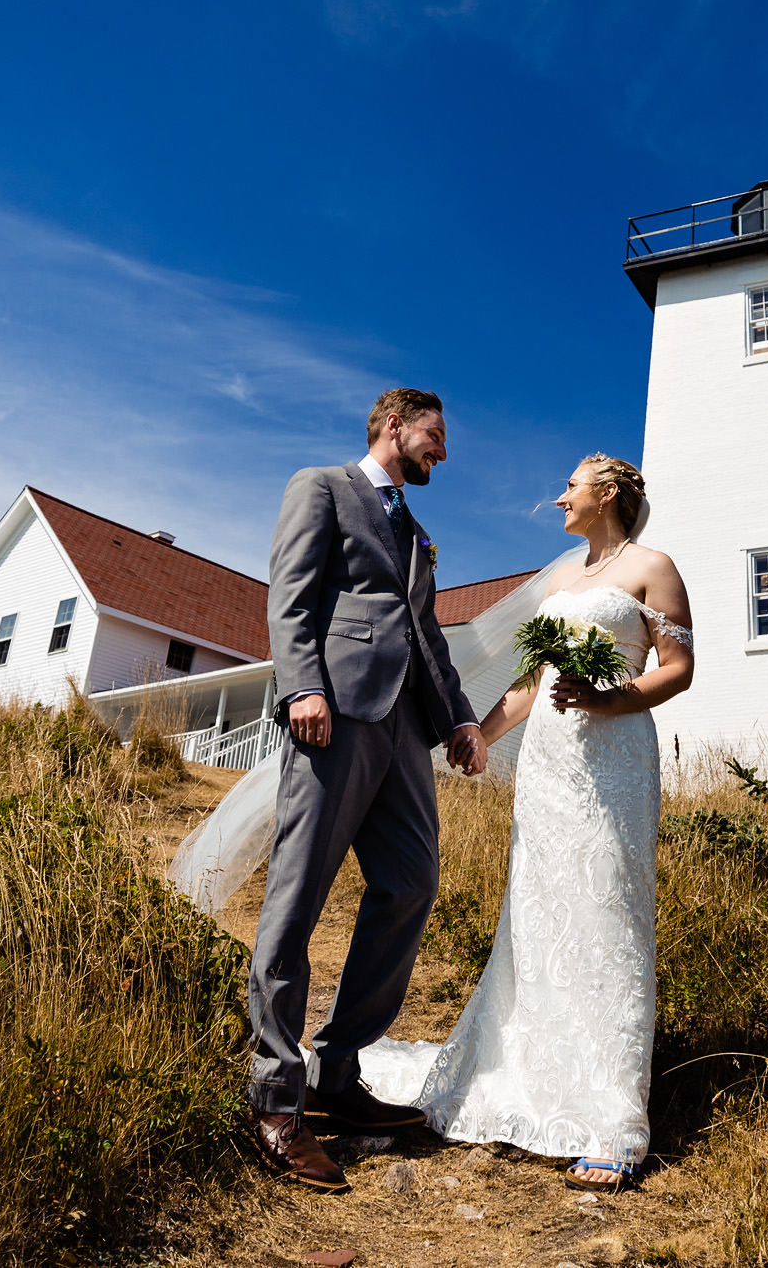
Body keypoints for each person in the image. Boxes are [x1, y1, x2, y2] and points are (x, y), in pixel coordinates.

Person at [358, 453, 694, 1192]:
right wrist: (477, 732)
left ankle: (610, 1117)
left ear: (605, 493)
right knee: (540, 915)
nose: (559, 496)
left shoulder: (653, 566)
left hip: (613, 759)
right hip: (546, 765)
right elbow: (529, 685)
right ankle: (532, 1075)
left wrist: (611, 698)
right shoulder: (560, 578)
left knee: (607, 910)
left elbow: (677, 666)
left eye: (571, 486)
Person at [246, 388, 488, 1193]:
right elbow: (293, 595)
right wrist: (302, 687)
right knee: (299, 894)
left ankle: (337, 1073)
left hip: (403, 730)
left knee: (413, 881)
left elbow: (427, 633)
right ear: (395, 424)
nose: (441, 452)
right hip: (334, 712)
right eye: (435, 435)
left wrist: (458, 718)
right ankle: (276, 1097)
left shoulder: (418, 534)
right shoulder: (320, 485)